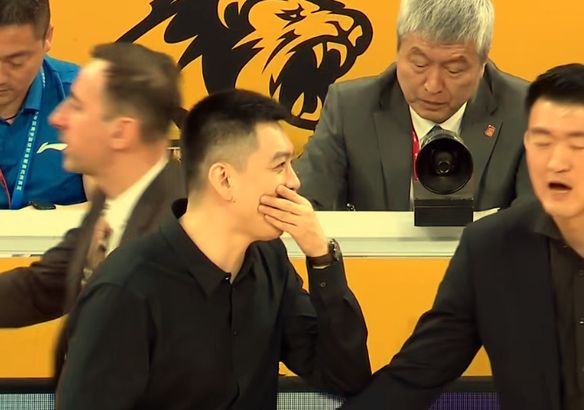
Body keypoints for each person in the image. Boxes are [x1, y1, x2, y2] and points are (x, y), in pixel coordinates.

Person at [342, 64, 584, 410]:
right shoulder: (490, 249)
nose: (556, 162)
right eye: (542, 142)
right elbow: (416, 375)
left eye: (578, 144)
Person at [56, 89, 371, 409]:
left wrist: (321, 257)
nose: (294, 182)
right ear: (224, 180)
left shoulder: (270, 261)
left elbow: (345, 377)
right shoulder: (125, 289)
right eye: (280, 166)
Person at [0, 42, 184, 334]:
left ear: (121, 131)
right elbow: (40, 289)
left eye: (77, 106)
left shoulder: (185, 228)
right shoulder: (107, 214)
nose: (57, 118)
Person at [294, 0, 532, 212]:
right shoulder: (350, 109)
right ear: (399, 51)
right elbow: (304, 204)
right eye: (419, 64)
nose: (433, 85)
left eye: (454, 70)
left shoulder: (525, 111)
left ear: (483, 62)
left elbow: (537, 220)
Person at [0, 0, 85, 209]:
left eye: (16, 62)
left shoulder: (86, 97)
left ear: (47, 37)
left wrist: (44, 221)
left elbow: (112, 209)